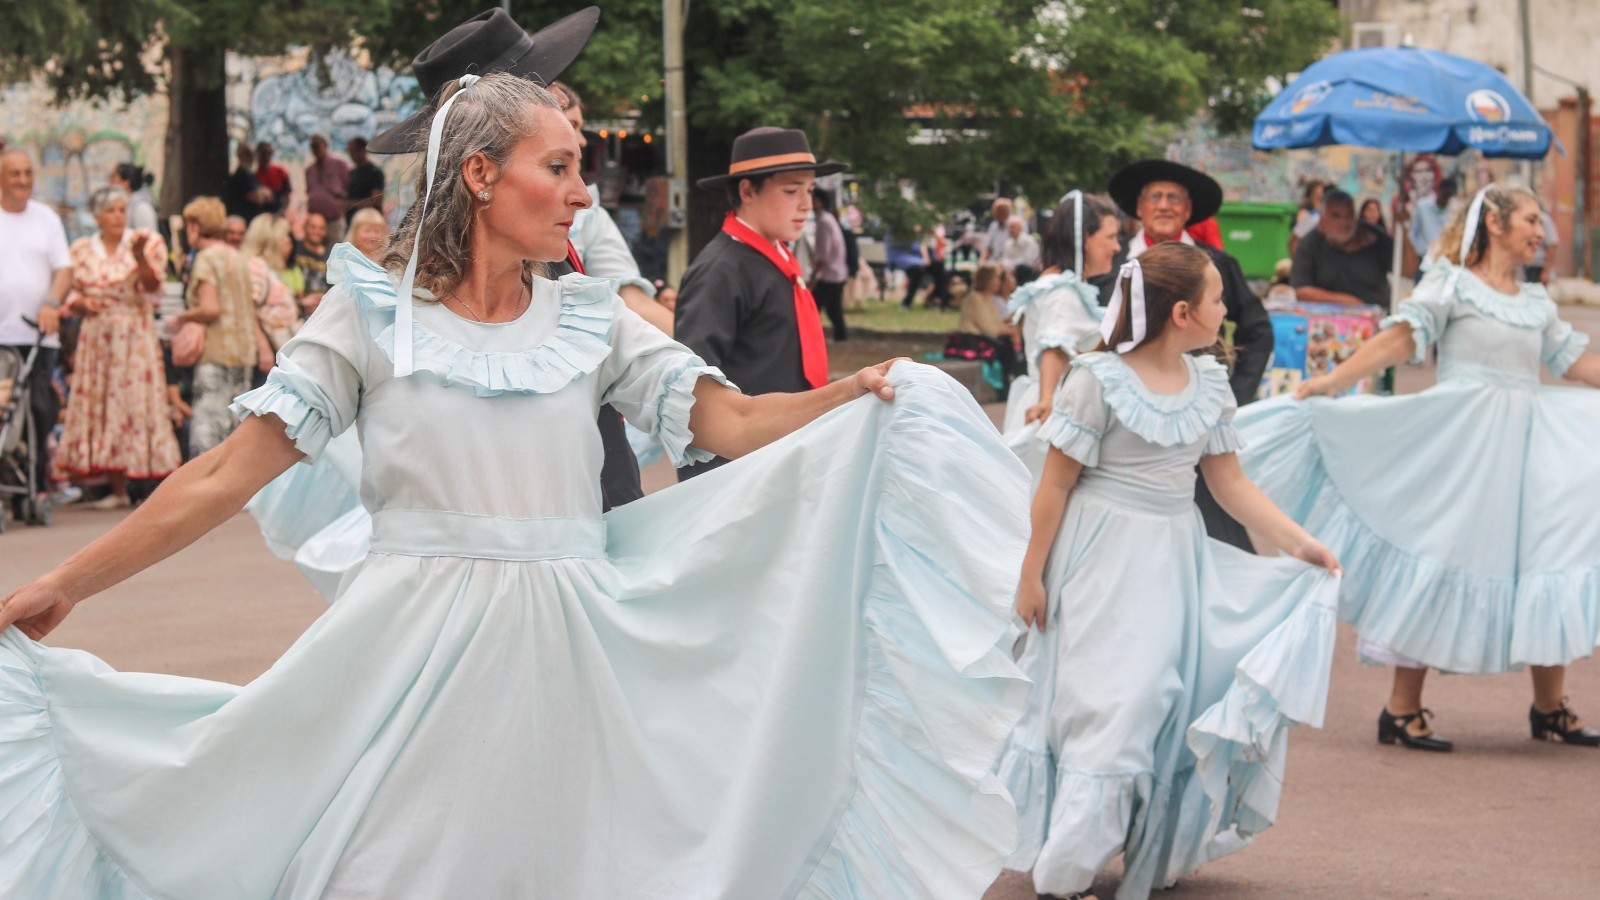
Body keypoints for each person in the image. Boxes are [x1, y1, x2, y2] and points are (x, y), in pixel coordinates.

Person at [0, 71, 1033, 899]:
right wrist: (69, 585)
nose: (585, 195)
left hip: (574, 660)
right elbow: (227, 470)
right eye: (562, 167)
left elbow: (734, 420)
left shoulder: (587, 317)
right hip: (403, 660)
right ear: (482, 175)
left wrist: (853, 394)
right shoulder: (370, 313)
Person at [1000, 242, 1341, 900]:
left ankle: (1141, 849)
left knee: (1163, 698)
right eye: (1218, 299)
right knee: (1114, 705)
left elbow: (1230, 483)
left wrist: (1302, 545)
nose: (1226, 309)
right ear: (1183, 312)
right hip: (1100, 559)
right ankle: (1064, 872)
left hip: (1173, 560)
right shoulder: (1095, 380)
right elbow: (1054, 488)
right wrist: (1031, 575)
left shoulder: (1207, 383)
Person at [1236, 183, 1600, 751]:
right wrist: (1333, 381)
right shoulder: (1451, 283)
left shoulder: (1535, 301)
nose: (1540, 231)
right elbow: (1401, 339)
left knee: (1545, 553)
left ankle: (1549, 708)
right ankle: (1400, 709)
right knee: (1438, 551)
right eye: (1531, 219)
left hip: (1528, 446)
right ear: (1496, 223)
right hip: (1461, 444)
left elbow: (1573, 362)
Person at [1106, 159, 1274, 552]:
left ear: (1187, 210)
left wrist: (1236, 392)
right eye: (1156, 197)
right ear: (1140, 207)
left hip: (1196, 414)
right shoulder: (1118, 267)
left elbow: (1258, 331)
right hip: (1128, 420)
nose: (1164, 206)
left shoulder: (1216, 266)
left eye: (1174, 199)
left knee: (1218, 537)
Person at [674, 125, 846, 479]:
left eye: (810, 191)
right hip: (742, 471)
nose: (806, 205)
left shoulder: (776, 258)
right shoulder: (722, 269)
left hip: (787, 454)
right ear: (747, 190)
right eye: (790, 190)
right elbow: (694, 392)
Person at [56, 186, 181, 508]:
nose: (117, 216)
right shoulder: (82, 250)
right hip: (98, 336)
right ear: (97, 216)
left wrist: (139, 258)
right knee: (103, 405)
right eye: (110, 210)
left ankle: (148, 484)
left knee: (135, 402)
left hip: (134, 334)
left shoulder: (145, 242)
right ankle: (117, 488)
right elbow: (65, 290)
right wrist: (80, 302)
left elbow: (152, 288)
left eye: (121, 210)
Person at [999, 191, 1118, 473]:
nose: (1116, 247)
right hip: (1057, 411)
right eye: (1110, 237)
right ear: (1085, 239)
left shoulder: (1058, 283)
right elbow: (1053, 345)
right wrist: (1047, 399)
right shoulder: (1063, 292)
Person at [0, 150, 70, 512]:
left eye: (28, 173)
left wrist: (53, 303)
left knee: (40, 410)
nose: (23, 180)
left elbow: (63, 269)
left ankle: (35, 486)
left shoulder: (46, 219)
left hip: (36, 336)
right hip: (1, 337)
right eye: (15, 174)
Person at [170, 197, 267, 457]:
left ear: (195, 226)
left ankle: (202, 493)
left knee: (207, 433)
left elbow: (210, 309)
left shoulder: (206, 259)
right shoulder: (237, 257)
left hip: (216, 353)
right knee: (234, 433)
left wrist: (181, 318)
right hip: (243, 354)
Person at [1290, 188, 1394, 307]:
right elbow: (1302, 291)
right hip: (1325, 320)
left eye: (1349, 215)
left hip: (1377, 315)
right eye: (1336, 216)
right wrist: (1350, 302)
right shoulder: (1310, 243)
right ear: (1322, 219)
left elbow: (1407, 270)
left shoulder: (1374, 236)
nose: (1343, 223)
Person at [240, 214, 303, 357]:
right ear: (270, 239)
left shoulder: (265, 268)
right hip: (266, 350)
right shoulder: (255, 268)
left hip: (279, 347)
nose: (289, 241)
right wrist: (263, 348)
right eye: (285, 235)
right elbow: (246, 309)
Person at [956, 263, 1019, 377]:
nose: (998, 283)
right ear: (987, 280)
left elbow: (996, 323)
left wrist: (1010, 329)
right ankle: (1012, 377)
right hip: (972, 339)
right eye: (995, 279)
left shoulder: (989, 298)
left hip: (985, 337)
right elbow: (987, 328)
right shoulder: (975, 298)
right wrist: (1009, 331)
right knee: (1006, 346)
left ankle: (1014, 375)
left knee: (1009, 342)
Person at [809, 187, 849, 341]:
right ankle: (841, 337)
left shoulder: (823, 221)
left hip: (830, 274)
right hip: (836, 272)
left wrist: (814, 276)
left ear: (821, 202)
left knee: (813, 307)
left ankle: (812, 338)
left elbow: (823, 254)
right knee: (833, 309)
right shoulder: (828, 219)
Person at [304, 135, 351, 244]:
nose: (315, 149)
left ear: (325, 145)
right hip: (315, 220)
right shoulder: (309, 170)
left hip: (334, 220)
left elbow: (349, 189)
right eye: (312, 146)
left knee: (335, 248)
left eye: (317, 145)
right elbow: (309, 191)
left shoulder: (339, 165)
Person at [292, 212, 332, 314]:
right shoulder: (294, 249)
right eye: (312, 227)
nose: (316, 231)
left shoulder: (331, 256)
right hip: (297, 305)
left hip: (323, 309)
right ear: (305, 228)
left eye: (321, 228)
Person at [222, 143, 269, 222]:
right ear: (239, 156)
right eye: (247, 154)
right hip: (241, 221)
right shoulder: (240, 176)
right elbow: (258, 199)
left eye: (252, 154)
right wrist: (263, 194)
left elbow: (268, 195)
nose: (251, 157)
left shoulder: (251, 176)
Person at [109, 163, 159, 233]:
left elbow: (148, 238)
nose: (110, 182)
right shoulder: (126, 205)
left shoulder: (141, 207)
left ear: (126, 183)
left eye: (113, 177)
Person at [979, 196, 1025, 265]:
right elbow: (988, 248)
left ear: (1006, 212)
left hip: (1010, 264)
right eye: (994, 211)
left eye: (997, 212)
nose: (994, 214)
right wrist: (981, 261)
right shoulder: (993, 226)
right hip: (993, 263)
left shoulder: (1017, 224)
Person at [999, 216, 1042, 282]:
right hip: (1011, 275)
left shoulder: (1029, 242)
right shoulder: (1007, 243)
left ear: (1020, 228)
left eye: (1013, 227)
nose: (1010, 230)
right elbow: (1005, 260)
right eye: (1009, 227)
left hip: (1028, 275)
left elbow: (1027, 262)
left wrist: (1012, 267)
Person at [254, 141, 291, 213]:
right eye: (263, 153)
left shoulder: (281, 171)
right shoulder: (254, 175)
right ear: (257, 154)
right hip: (261, 213)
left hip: (278, 212)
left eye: (269, 153)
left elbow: (287, 194)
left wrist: (283, 210)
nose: (266, 156)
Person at [1525, 206, 1559, 284]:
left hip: (1539, 267)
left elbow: (1552, 244)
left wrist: (1546, 272)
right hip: (1526, 267)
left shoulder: (1544, 219)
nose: (1540, 234)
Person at [1289, 179, 1324, 255]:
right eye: (1317, 194)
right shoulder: (1306, 209)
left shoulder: (1323, 209)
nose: (1320, 195)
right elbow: (1300, 229)